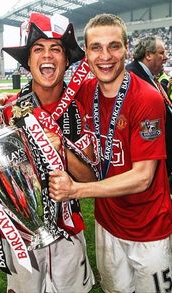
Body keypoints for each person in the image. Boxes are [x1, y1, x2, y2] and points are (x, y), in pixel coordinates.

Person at [49, 13, 172, 293]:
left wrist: (76, 190)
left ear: (127, 49)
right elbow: (48, 92)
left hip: (148, 229)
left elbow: (142, 177)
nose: (106, 56)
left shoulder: (146, 98)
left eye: (114, 46)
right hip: (107, 224)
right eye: (96, 47)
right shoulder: (85, 90)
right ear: (87, 55)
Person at [1, 12, 95, 293]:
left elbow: (90, 180)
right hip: (21, 234)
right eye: (38, 49)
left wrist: (61, 149)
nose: (48, 56)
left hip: (68, 230)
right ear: (28, 61)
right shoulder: (7, 110)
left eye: (56, 49)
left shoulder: (80, 110)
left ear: (66, 60)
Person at [126, 36, 172, 178]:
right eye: (161, 53)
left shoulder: (148, 76)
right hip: (151, 164)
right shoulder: (132, 77)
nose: (165, 57)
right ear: (148, 55)